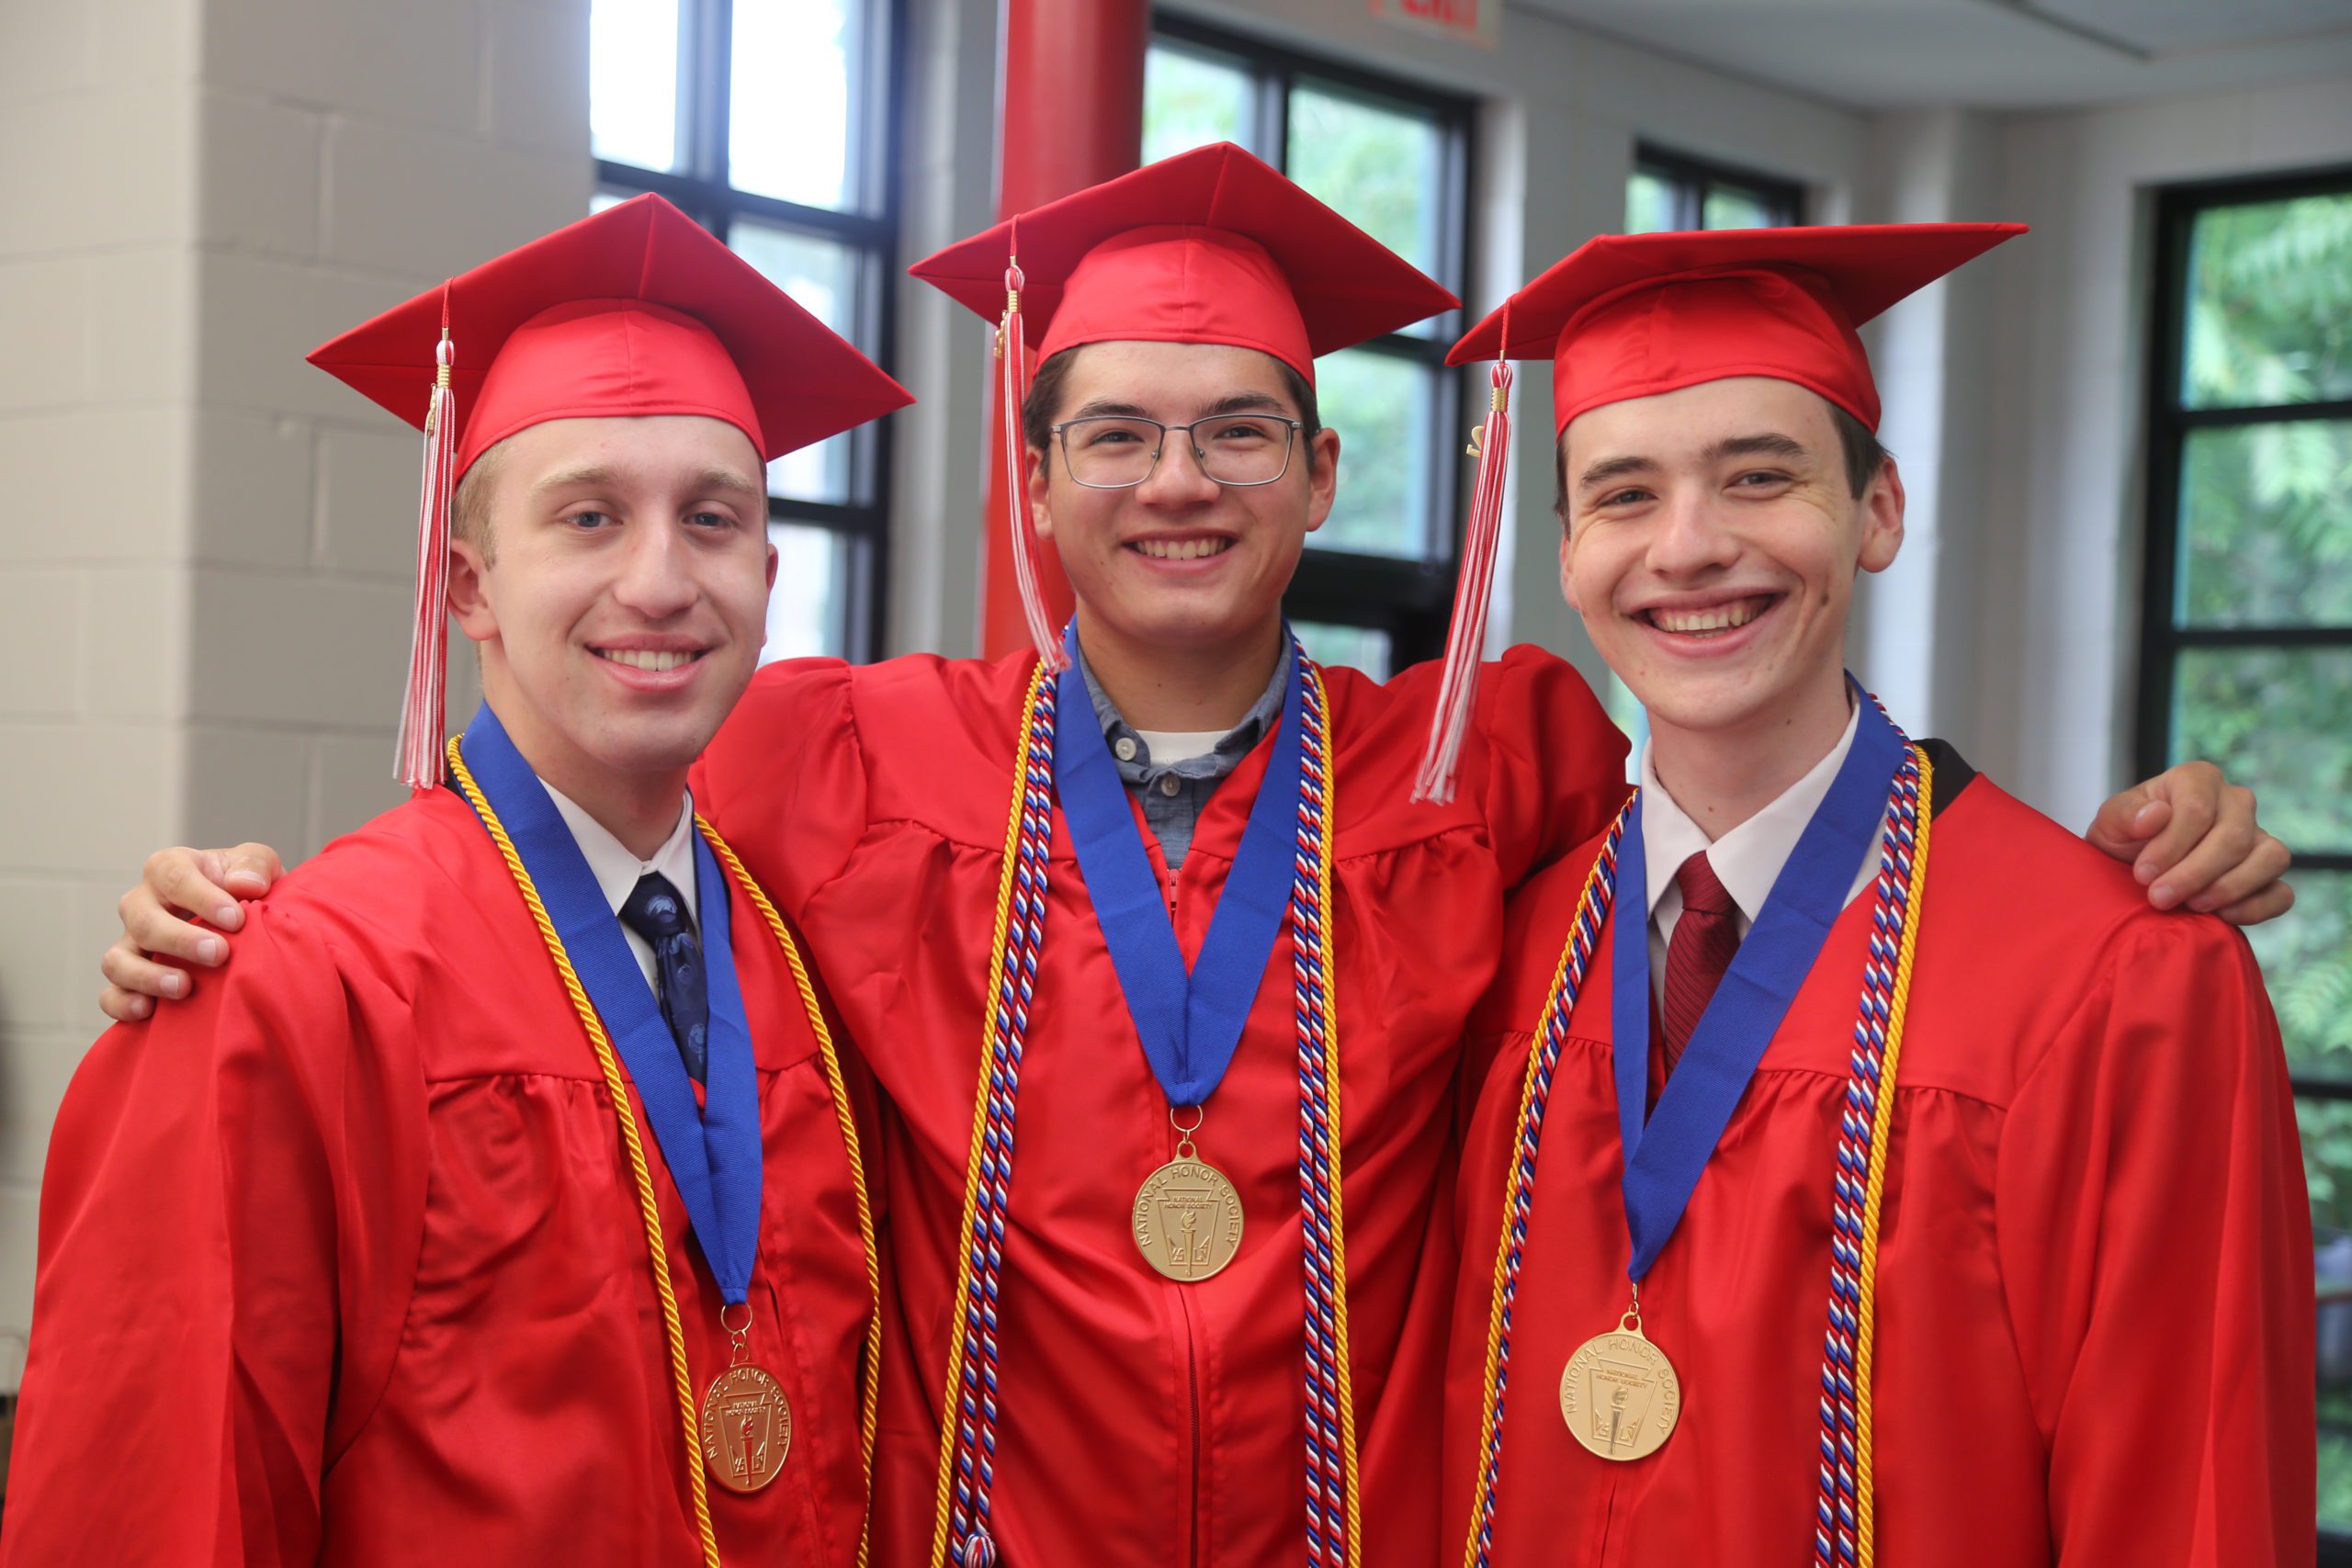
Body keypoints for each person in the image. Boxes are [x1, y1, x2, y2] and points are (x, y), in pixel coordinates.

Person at [96, 151, 2292, 1568]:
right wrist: (234, 916)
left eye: (1237, 426)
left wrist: (2127, 851)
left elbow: (1783, 817)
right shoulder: (825, 761)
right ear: (1028, 476)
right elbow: (542, 849)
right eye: (1116, 434)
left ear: (1323, 468)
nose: (1179, 479)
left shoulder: (1480, 766)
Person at [2, 195, 910, 1567]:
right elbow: (164, 1498)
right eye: (591, 517)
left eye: (710, 520)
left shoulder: (805, 953)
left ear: (769, 574)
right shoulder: (298, 982)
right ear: (470, 583)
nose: (661, 580)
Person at [1435, 223, 2313, 1568]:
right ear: (1564, 554)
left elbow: (2185, 1500)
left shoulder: (2115, 976)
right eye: (1622, 495)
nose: (1688, 546)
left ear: (1880, 511)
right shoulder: (1495, 944)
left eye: (1759, 476)